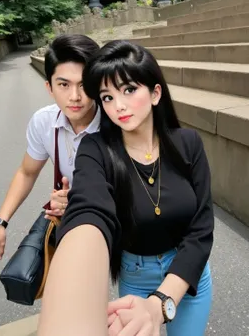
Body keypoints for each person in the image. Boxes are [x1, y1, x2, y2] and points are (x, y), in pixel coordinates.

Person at [39, 39, 214, 336]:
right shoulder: (95, 150)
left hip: (188, 275)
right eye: (107, 97)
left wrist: (160, 304)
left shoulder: (188, 144)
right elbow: (89, 210)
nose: (118, 106)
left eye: (129, 90)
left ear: (155, 93)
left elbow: (202, 227)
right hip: (135, 278)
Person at [0, 34, 100, 261]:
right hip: (74, 224)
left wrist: (81, 201)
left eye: (84, 84)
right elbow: (27, 172)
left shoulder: (117, 122)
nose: (75, 97)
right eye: (63, 85)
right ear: (49, 87)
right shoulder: (44, 122)